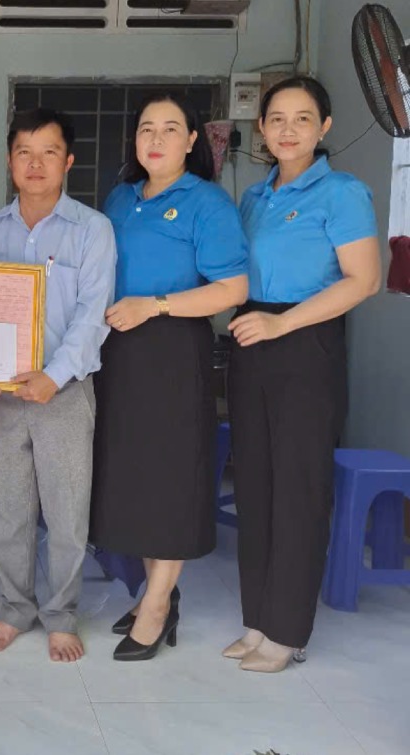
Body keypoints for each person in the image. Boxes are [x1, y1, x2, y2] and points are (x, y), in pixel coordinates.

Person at [225, 76, 380, 672]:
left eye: (303, 118)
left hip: (304, 344)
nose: (288, 130)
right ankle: (258, 621)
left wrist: (282, 326)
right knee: (256, 485)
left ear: (325, 127)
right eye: (277, 119)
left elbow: (362, 281)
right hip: (251, 341)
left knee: (298, 489)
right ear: (260, 129)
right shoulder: (253, 198)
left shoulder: (342, 193)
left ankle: (287, 632)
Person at [89, 93, 249, 661]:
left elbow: (232, 290)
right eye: (145, 129)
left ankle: (156, 605)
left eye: (170, 129)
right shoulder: (120, 199)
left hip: (172, 349)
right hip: (118, 353)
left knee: (172, 475)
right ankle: (156, 591)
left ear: (190, 141)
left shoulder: (208, 203)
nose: (155, 138)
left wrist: (153, 305)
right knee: (134, 476)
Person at [0, 108, 116, 662]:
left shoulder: (92, 229)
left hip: (64, 393)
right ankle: (15, 608)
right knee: (5, 509)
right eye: (24, 153)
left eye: (49, 153)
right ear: (10, 161)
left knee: (65, 510)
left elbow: (93, 314)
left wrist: (53, 377)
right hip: (6, 395)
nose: (36, 165)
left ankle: (60, 615)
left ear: (68, 162)